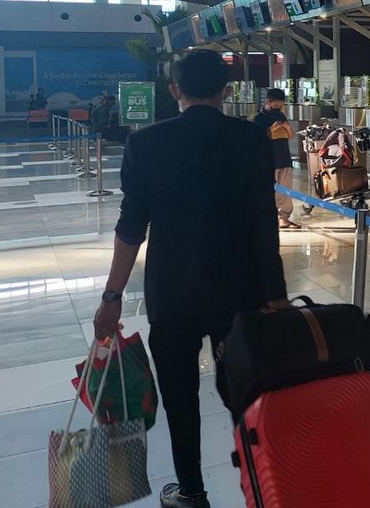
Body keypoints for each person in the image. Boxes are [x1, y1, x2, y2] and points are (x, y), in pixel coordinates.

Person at [93, 50, 287, 508]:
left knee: (180, 398)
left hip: (172, 293)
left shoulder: (146, 144)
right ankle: (264, 483)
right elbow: (264, 225)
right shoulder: (250, 140)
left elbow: (130, 227)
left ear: (174, 90)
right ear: (226, 90)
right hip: (238, 291)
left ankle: (192, 491)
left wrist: (112, 295)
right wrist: (274, 298)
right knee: (244, 390)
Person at [253, 88, 299, 230]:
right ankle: (264, 217)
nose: (277, 109)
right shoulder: (259, 119)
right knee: (266, 191)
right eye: (275, 106)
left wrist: (288, 128)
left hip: (284, 158)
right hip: (267, 160)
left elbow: (290, 136)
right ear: (268, 102)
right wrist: (271, 129)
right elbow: (256, 139)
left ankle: (283, 218)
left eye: (280, 106)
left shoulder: (281, 115)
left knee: (285, 190)